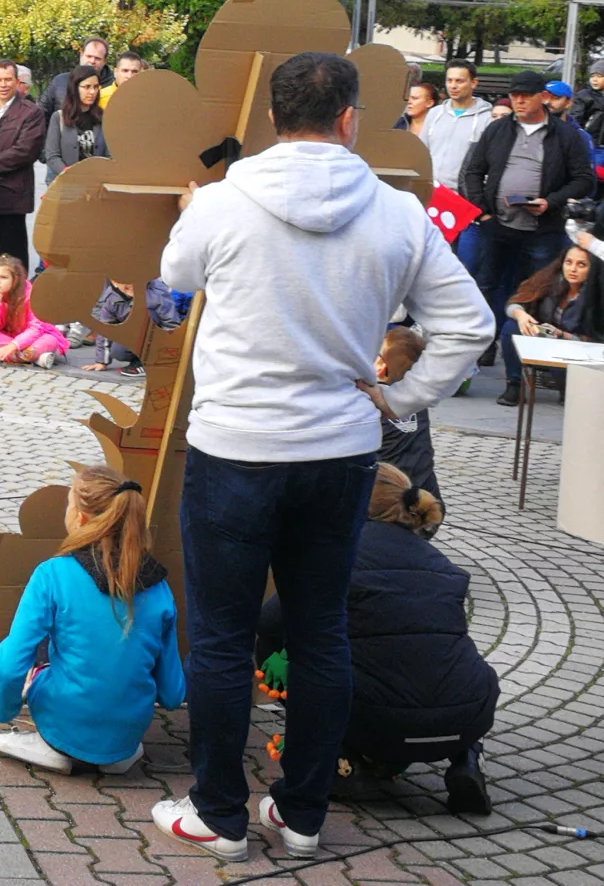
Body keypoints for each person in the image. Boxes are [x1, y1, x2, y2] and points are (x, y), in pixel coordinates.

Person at [151, 51, 494, 864]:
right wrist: (402, 400)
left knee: (227, 637)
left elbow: (173, 274)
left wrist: (193, 211)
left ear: (273, 118)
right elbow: (472, 325)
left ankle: (218, 814)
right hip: (340, 452)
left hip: (235, 446)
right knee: (320, 632)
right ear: (349, 119)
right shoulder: (398, 212)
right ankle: (301, 812)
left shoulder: (225, 203)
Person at [253, 463, 497, 815]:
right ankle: (468, 760)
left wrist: (275, 668)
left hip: (378, 721)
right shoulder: (444, 565)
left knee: (307, 663)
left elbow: (270, 622)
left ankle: (346, 761)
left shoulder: (337, 555)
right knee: (443, 662)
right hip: (466, 715)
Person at [0, 464, 184, 775]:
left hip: (61, 721)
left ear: (79, 518)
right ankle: (111, 756)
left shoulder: (52, 574)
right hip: (126, 738)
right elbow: (173, 693)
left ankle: (54, 747)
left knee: (43, 653)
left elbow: (11, 666)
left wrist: (4, 710)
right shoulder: (159, 586)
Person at [458, 68, 593, 402]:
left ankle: (518, 379)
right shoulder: (498, 129)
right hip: (497, 227)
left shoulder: (565, 136)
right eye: (514, 95)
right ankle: (471, 361)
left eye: (525, 95)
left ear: (542, 98)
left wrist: (551, 202)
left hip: (542, 232)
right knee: (485, 291)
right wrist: (482, 211)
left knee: (533, 300)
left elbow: (583, 179)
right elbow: (473, 171)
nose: (517, 101)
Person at [0, 60, 47, 288]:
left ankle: (15, 313)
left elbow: (25, 150)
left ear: (17, 81)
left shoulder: (31, 113)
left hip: (11, 198)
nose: (3, 84)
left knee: (11, 267)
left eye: (8, 79)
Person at [500, 245, 603, 403]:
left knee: (564, 348)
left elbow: (597, 343)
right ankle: (514, 385)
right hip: (545, 338)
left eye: (581, 265)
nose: (573, 269)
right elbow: (514, 303)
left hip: (578, 352)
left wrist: (562, 335)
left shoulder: (597, 296)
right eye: (568, 262)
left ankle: (568, 390)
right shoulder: (549, 279)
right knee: (511, 327)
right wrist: (521, 315)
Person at [422, 60, 494, 279]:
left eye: (460, 81)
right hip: (433, 198)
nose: (453, 86)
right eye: (449, 80)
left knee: (461, 269)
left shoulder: (487, 118)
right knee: (429, 266)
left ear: (473, 83)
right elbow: (423, 152)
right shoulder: (434, 114)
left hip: (465, 202)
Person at [373, 326, 441, 507]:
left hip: (386, 509)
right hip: (429, 504)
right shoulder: (418, 403)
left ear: (380, 367)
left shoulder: (367, 404)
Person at [0, 255, 66, 367]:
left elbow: (36, 328)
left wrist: (14, 345)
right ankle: (34, 359)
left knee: (50, 340)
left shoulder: (31, 294)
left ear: (15, 279)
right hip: (7, 337)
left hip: (33, 337)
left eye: (3, 277)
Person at [80, 278, 183, 377]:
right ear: (115, 282)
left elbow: (171, 324)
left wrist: (170, 353)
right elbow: (105, 330)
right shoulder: (111, 298)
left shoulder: (157, 294)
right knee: (118, 351)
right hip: (135, 336)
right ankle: (140, 362)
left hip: (157, 337)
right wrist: (101, 362)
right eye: (126, 281)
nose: (131, 285)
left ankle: (155, 362)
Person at [44, 64, 110, 181]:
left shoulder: (103, 117)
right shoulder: (59, 118)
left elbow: (108, 155)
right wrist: (70, 174)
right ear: (75, 88)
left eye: (95, 87)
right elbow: (52, 156)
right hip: (66, 185)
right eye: (87, 87)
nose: (92, 92)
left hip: (95, 184)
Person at [39, 38, 113, 118]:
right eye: (89, 56)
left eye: (97, 58)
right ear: (81, 55)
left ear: (105, 61)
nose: (92, 61)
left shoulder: (113, 87)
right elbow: (41, 114)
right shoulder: (60, 81)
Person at [574, 58, 604, 137]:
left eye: (599, 76)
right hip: (590, 140)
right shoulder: (583, 96)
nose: (594, 79)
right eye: (592, 76)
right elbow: (575, 120)